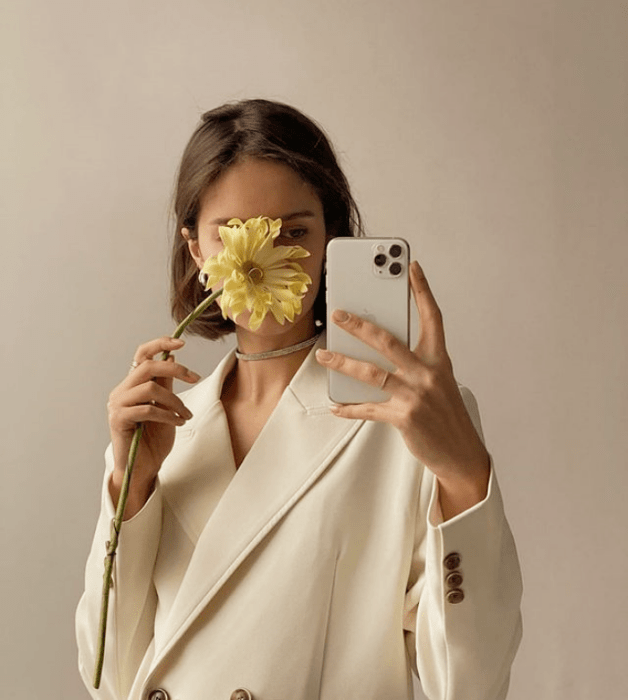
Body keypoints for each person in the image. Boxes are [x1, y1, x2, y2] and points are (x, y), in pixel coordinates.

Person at [76, 99, 522, 700]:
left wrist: (465, 475)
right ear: (196, 249)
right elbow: (106, 678)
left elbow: (470, 683)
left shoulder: (407, 424)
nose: (264, 255)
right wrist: (131, 492)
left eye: (294, 232)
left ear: (331, 240)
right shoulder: (163, 430)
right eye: (234, 234)